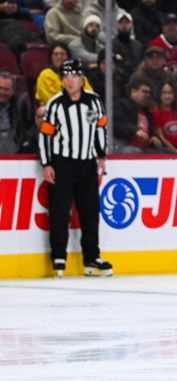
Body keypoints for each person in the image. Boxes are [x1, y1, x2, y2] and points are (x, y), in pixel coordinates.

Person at [38, 59, 112, 278]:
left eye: (74, 76)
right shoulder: (54, 104)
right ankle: (59, 256)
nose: (70, 81)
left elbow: (100, 129)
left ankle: (91, 257)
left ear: (82, 79)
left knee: (90, 211)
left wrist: (101, 156)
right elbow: (46, 136)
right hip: (63, 163)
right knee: (60, 211)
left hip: (87, 163)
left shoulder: (94, 102)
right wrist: (47, 163)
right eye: (66, 76)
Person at [0, 70, 34, 154]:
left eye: (6, 89)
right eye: (0, 88)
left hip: (14, 147)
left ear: (12, 92)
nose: (2, 92)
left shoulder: (21, 105)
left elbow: (29, 127)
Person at [151, 80, 177, 153]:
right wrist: (176, 151)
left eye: (170, 93)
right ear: (159, 95)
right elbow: (161, 136)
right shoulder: (156, 110)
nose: (167, 96)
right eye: (164, 93)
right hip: (168, 148)